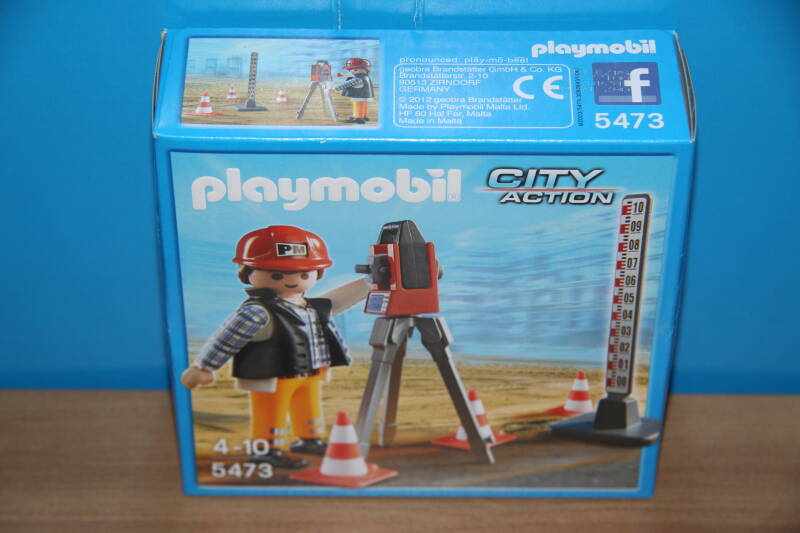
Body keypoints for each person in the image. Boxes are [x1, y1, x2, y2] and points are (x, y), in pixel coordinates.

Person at [181, 225, 368, 469]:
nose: (292, 280)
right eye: (278, 275)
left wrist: (369, 283)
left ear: (317, 273)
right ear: (247, 272)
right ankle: (266, 448)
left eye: (303, 274)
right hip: (274, 374)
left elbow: (339, 299)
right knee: (271, 412)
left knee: (309, 407)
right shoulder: (257, 312)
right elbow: (228, 338)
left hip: (310, 371)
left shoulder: (312, 307)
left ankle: (309, 439)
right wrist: (204, 366)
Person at [332, 57, 375, 124]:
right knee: (363, 106)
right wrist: (343, 75)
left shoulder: (358, 79)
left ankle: (357, 118)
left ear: (357, 69)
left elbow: (347, 83)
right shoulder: (365, 77)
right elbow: (351, 78)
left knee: (357, 106)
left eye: (350, 70)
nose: (350, 71)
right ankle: (363, 116)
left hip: (359, 96)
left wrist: (334, 89)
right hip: (365, 96)